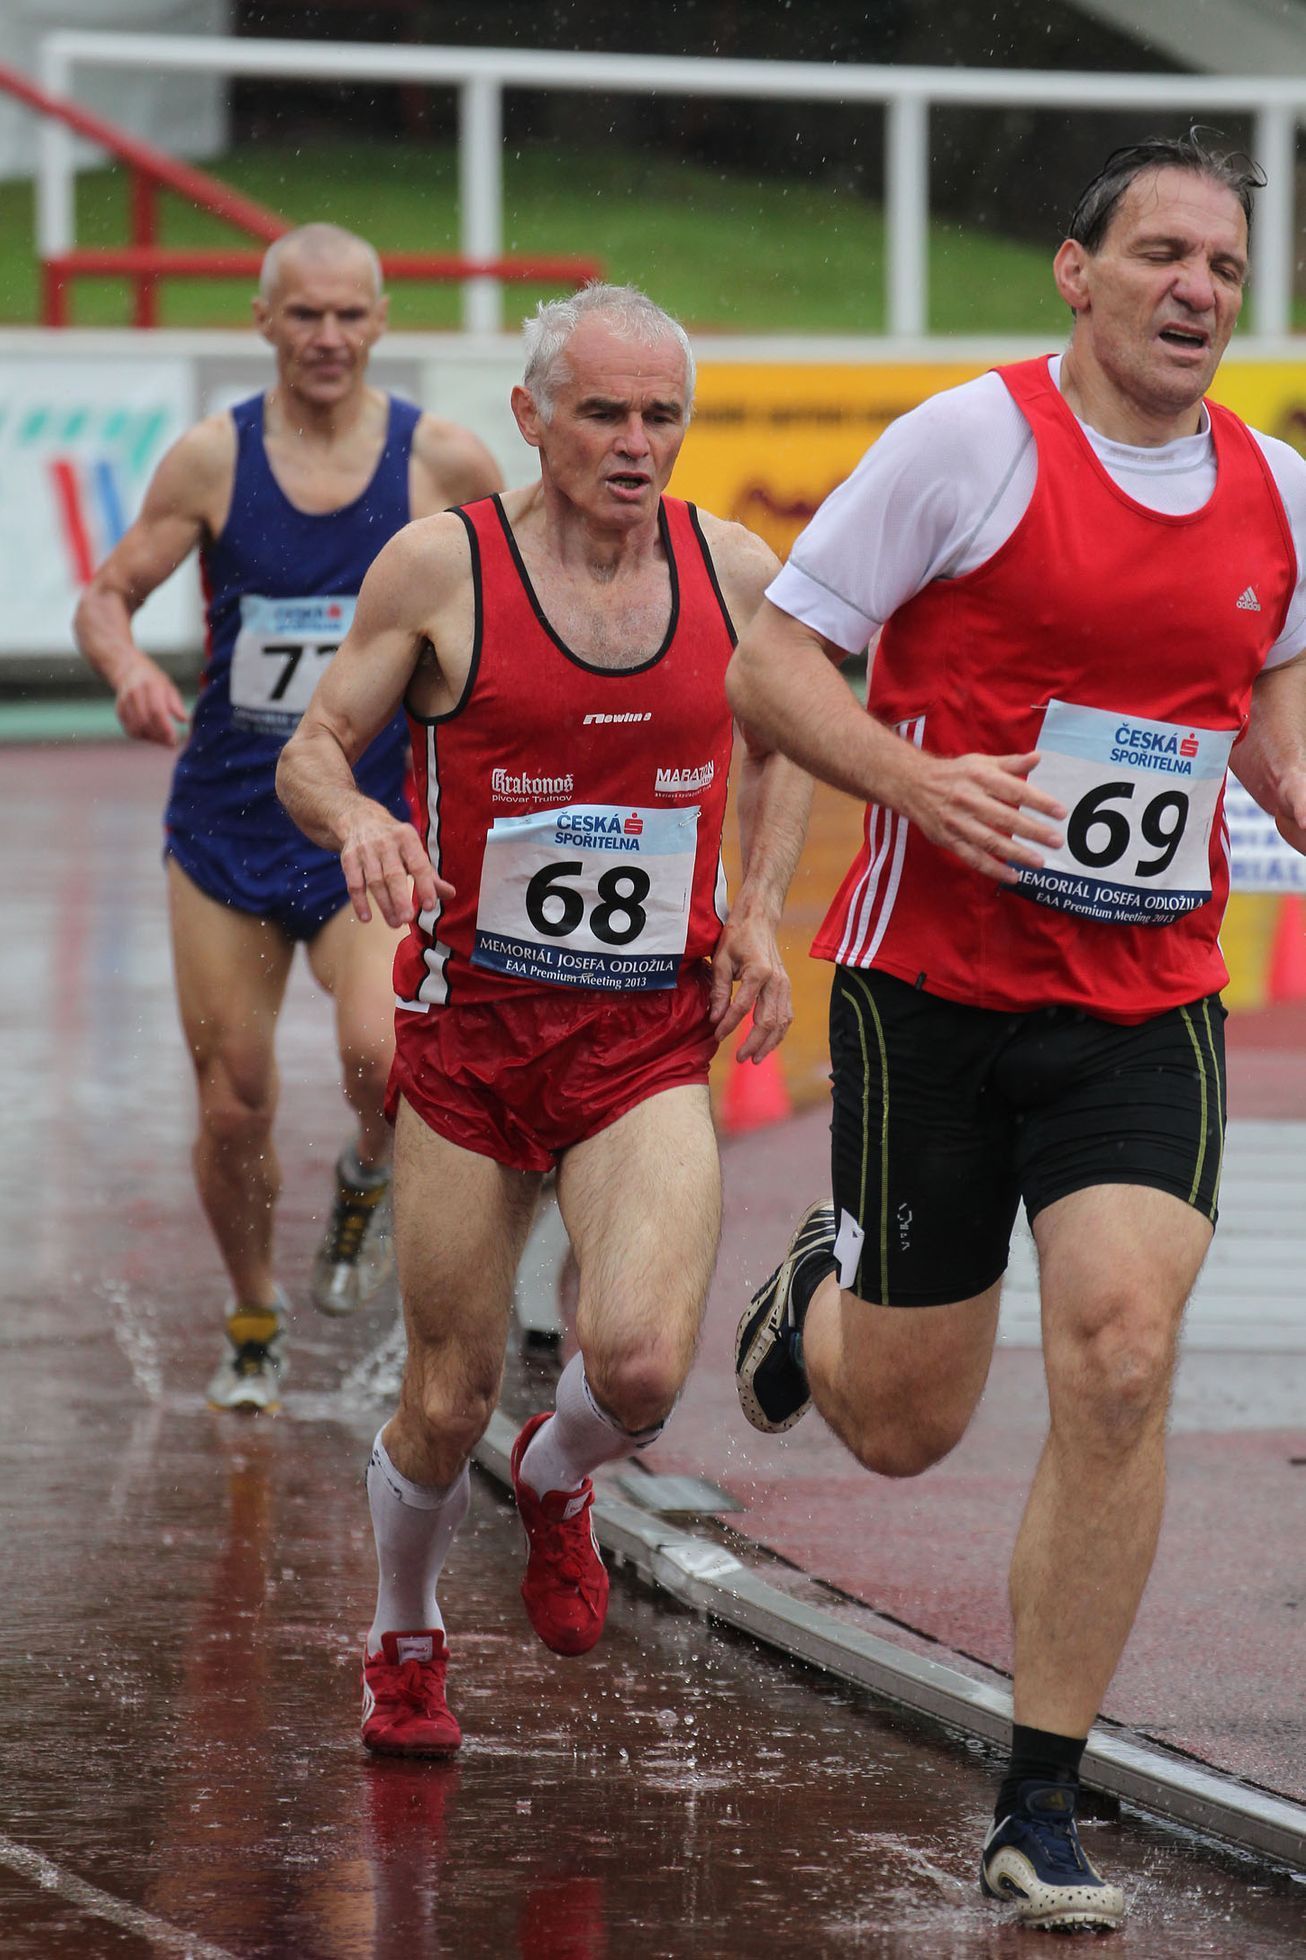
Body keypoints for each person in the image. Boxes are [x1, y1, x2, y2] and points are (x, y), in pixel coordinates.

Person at [727, 135, 1306, 1934]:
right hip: (935, 994)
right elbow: (774, 664)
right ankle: (817, 1292)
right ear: (1078, 271)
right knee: (902, 1427)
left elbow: (1277, 746)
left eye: (1222, 262)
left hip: (1146, 1005)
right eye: (1159, 254)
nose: (1194, 288)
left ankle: (1037, 1801)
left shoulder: (1283, 491)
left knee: (1121, 1356)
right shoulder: (966, 445)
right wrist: (917, 782)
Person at [276, 282, 812, 1757]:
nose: (636, 444)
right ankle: (403, 1635)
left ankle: (563, 1471)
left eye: (660, 417)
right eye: (602, 414)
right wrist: (360, 822)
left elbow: (791, 740)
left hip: (641, 1042)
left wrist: (756, 907)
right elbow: (312, 750)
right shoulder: (439, 571)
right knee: (442, 1400)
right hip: (469, 1041)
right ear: (530, 418)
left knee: (637, 1366)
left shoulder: (733, 574)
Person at [73, 222, 502, 1413]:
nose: (326, 338)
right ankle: (253, 1315)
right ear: (263, 322)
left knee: (382, 1057)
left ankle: (366, 1175)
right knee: (233, 1097)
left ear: (381, 318)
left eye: (348, 315)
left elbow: (518, 594)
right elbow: (108, 594)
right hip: (223, 830)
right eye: (302, 315)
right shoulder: (214, 460)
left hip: (365, 825)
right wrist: (125, 669)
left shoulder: (443, 462)